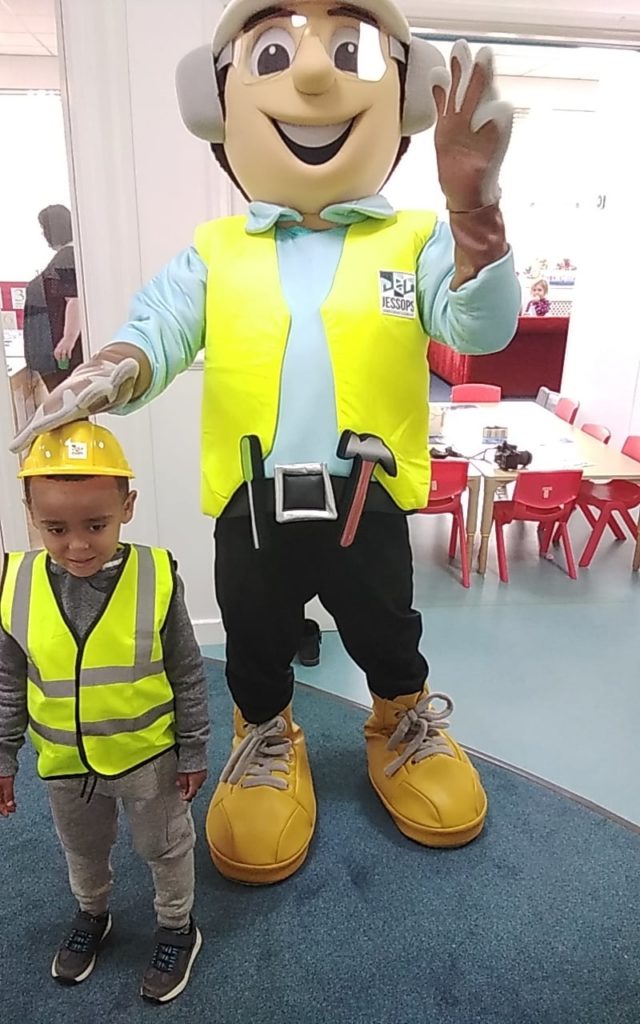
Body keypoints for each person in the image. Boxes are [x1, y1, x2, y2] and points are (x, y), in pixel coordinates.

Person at [11, 0, 521, 886]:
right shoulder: (217, 250)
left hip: (369, 495)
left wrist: (474, 213)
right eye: (276, 54)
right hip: (252, 501)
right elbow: (160, 329)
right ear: (215, 103)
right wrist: (111, 369)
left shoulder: (417, 238)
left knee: (386, 626)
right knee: (253, 635)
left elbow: (481, 328)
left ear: (405, 97)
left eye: (349, 51)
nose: (315, 76)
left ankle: (399, 719)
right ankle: (265, 731)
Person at [0, 421, 209, 1003]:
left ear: (128, 507)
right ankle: (92, 913)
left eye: (96, 525)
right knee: (83, 848)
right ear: (30, 514)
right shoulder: (15, 584)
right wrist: (4, 757)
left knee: (165, 845)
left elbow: (188, 671)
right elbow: (8, 683)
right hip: (65, 763)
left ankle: (177, 926)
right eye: (56, 529)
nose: (78, 545)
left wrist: (194, 747)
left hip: (149, 759)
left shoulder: (156, 576)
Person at [23, 205, 83, 393]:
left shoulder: (67, 256)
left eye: (44, 228)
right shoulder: (70, 255)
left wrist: (68, 339)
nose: (43, 234)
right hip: (55, 351)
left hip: (60, 353)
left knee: (65, 399)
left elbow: (74, 300)